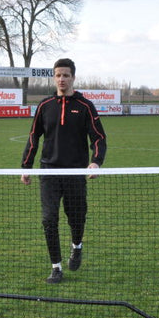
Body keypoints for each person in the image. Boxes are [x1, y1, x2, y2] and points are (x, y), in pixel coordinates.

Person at [21, 58, 107, 283]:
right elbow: (33, 137)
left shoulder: (85, 106)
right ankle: (56, 267)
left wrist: (96, 161)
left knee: (77, 217)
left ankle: (77, 245)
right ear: (54, 77)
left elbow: (98, 137)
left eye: (66, 75)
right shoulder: (44, 105)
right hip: (48, 171)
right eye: (58, 75)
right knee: (49, 219)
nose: (61, 79)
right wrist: (26, 167)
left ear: (73, 78)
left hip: (76, 172)